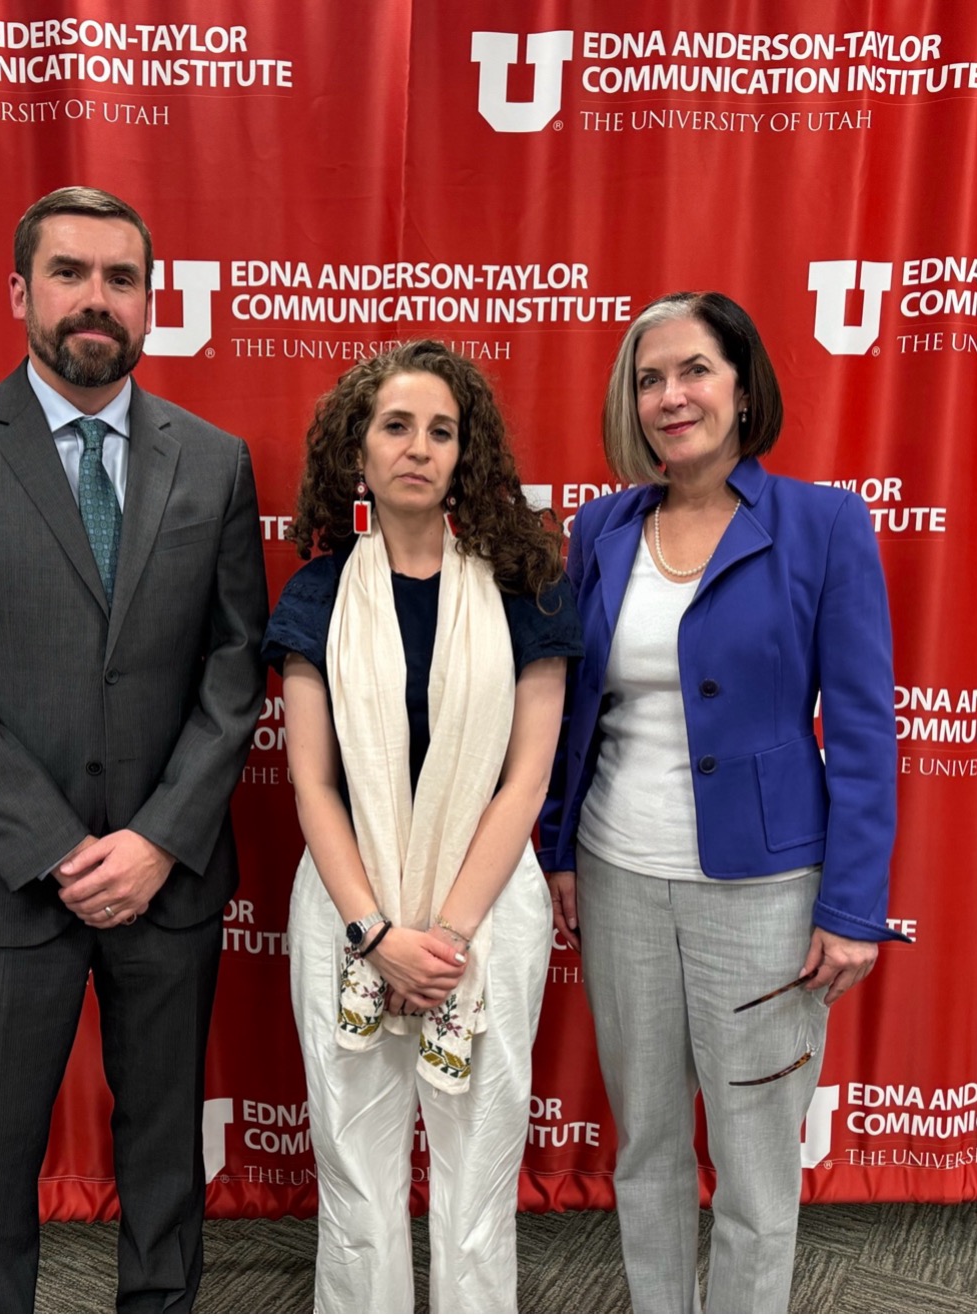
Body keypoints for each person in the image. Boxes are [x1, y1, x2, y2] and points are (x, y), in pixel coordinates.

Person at [0, 186, 268, 1313]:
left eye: (121, 277)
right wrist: (57, 847)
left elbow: (233, 667)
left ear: (151, 299)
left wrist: (152, 839)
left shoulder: (215, 461)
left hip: (167, 878)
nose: (96, 298)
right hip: (2, 880)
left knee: (161, 1162)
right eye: (69, 272)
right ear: (18, 292)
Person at [538, 291, 908, 1313]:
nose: (670, 395)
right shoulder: (599, 528)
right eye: (649, 378)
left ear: (742, 387)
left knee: (751, 1160)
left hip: (765, 890)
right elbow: (576, 707)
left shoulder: (821, 523)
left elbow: (866, 728)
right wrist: (559, 847)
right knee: (646, 1141)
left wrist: (849, 907)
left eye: (693, 369)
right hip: (618, 875)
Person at [263, 340, 582, 1313]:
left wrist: (440, 937)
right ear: (354, 452)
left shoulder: (525, 581)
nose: (417, 446)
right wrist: (375, 934)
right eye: (394, 425)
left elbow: (525, 778)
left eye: (440, 429)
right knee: (356, 1180)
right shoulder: (317, 593)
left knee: (479, 1176)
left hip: (483, 914)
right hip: (348, 907)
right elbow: (312, 784)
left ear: (465, 451)